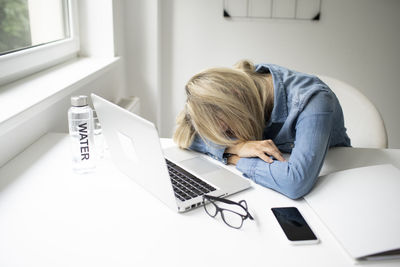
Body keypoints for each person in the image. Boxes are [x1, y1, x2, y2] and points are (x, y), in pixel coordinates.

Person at [173, 60, 351, 199]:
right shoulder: (239, 86)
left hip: (334, 181)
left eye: (227, 129)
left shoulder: (313, 100)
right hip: (272, 183)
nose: (226, 134)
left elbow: (295, 182)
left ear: (236, 96)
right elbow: (185, 136)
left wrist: (235, 159)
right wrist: (237, 147)